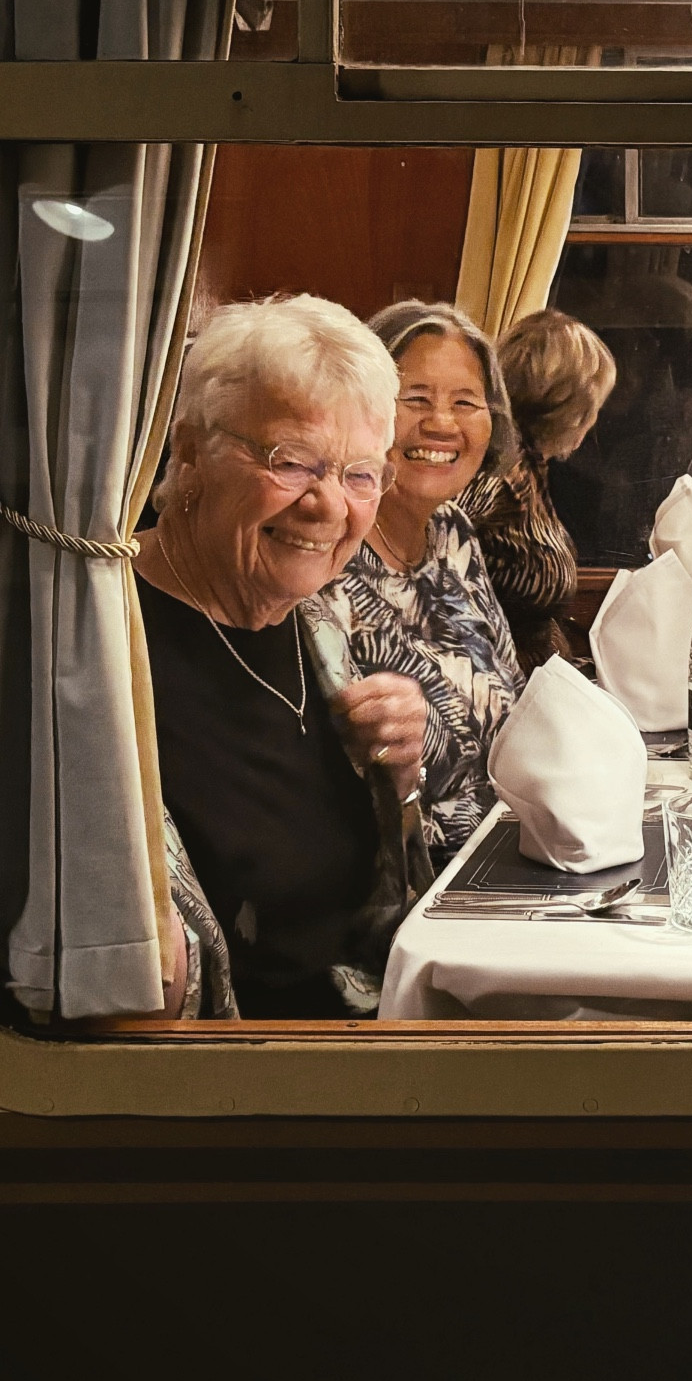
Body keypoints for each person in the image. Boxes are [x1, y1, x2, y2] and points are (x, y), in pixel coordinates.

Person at [133, 294, 432, 1020]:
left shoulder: (323, 623)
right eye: (291, 461)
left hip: (364, 1035)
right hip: (228, 1082)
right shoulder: (99, 639)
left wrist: (398, 776)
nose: (328, 504)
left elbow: (374, 904)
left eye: (360, 473)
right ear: (189, 453)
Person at [309, 300, 525, 870]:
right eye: (417, 399)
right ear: (364, 412)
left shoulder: (453, 533)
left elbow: (516, 700)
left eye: (465, 403)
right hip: (407, 888)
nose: (443, 424)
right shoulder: (322, 552)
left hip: (507, 856)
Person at [461, 307, 616, 671]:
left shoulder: (528, 467)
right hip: (499, 695)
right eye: (594, 405)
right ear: (572, 406)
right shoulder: (501, 471)